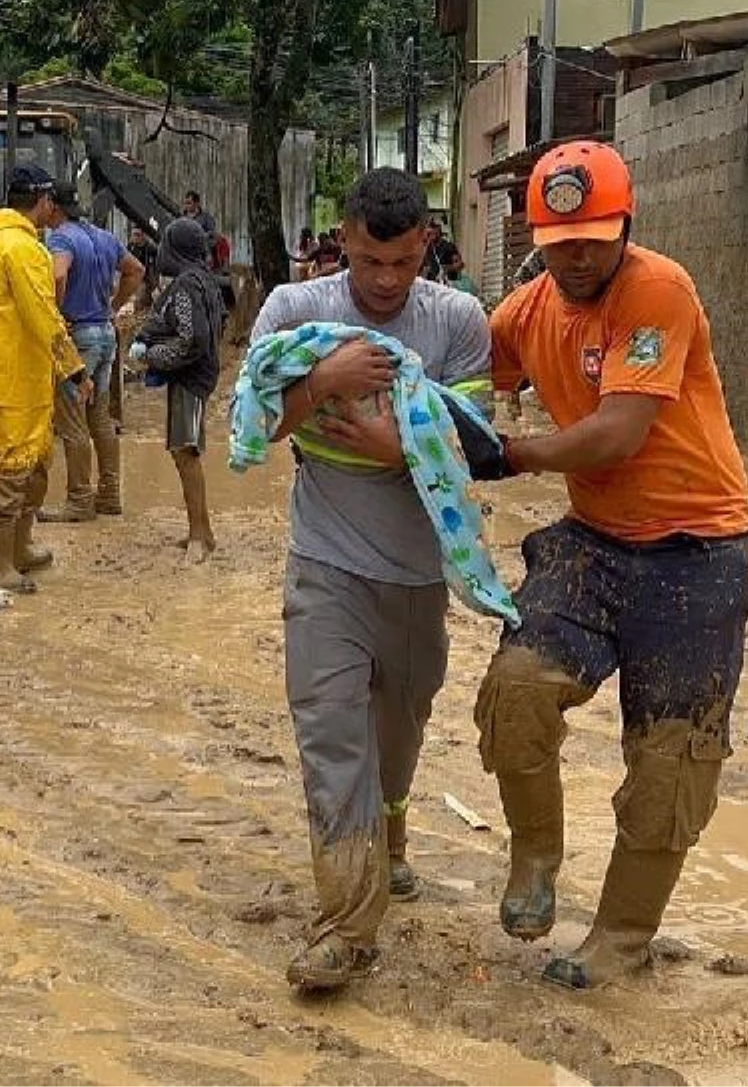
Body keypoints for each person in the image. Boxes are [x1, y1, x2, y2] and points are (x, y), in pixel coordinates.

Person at [478, 140, 748, 990]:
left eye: (596, 235)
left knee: (672, 759)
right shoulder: (522, 314)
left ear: (626, 226)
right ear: (537, 239)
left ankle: (622, 936)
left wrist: (509, 454)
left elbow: (616, 433)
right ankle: (535, 855)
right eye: (563, 240)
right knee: (516, 690)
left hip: (696, 551)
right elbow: (454, 378)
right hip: (593, 542)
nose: (581, 254)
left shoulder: (658, 291)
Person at [249, 168, 493, 991]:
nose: (385, 284)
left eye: (401, 265)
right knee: (331, 738)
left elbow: (475, 451)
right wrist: (322, 383)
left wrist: (402, 451)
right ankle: (346, 930)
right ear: (340, 244)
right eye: (367, 264)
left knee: (400, 729)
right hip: (324, 561)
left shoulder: (458, 320)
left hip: (420, 573)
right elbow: (252, 426)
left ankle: (391, 829)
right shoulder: (295, 313)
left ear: (426, 243)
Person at [0, 166, 88, 593]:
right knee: (13, 467)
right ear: (43, 200)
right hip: (14, 374)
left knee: (35, 460)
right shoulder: (22, 249)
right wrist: (74, 366)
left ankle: (19, 545)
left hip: (16, 372)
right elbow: (42, 314)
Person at [41, 188, 144, 522]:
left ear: (53, 207)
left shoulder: (61, 239)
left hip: (79, 337)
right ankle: (110, 494)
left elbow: (58, 273)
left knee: (72, 419)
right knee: (100, 416)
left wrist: (55, 314)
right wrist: (113, 306)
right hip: (104, 333)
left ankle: (80, 499)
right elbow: (135, 270)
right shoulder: (104, 237)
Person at [128, 218, 225, 563]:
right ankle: (201, 531)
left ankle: (200, 535)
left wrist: (151, 356)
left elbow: (190, 340)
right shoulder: (204, 279)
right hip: (199, 374)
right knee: (184, 450)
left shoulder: (186, 286)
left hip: (191, 377)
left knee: (186, 451)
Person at [420, 218, 464, 284]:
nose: (431, 231)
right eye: (429, 229)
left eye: (434, 228)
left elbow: (460, 265)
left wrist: (446, 269)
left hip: (448, 284)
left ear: (438, 229)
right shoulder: (426, 248)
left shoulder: (449, 246)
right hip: (432, 285)